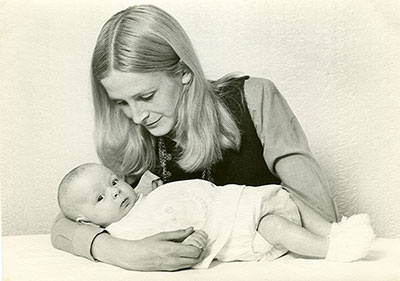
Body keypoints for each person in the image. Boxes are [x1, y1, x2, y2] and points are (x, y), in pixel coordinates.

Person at [52, 5, 340, 271]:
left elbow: (322, 216)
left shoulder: (256, 98)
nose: (137, 116)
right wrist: (121, 252)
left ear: (184, 73)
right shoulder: (134, 135)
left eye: (146, 96)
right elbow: (70, 219)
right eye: (121, 103)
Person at [58, 163, 374, 268]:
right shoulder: (126, 234)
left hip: (236, 200)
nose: (114, 191)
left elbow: (159, 200)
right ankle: (331, 250)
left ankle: (335, 230)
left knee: (287, 197)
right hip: (235, 228)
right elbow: (171, 246)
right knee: (275, 225)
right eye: (101, 197)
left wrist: (145, 189)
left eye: (114, 181)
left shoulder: (135, 199)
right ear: (87, 221)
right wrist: (193, 241)